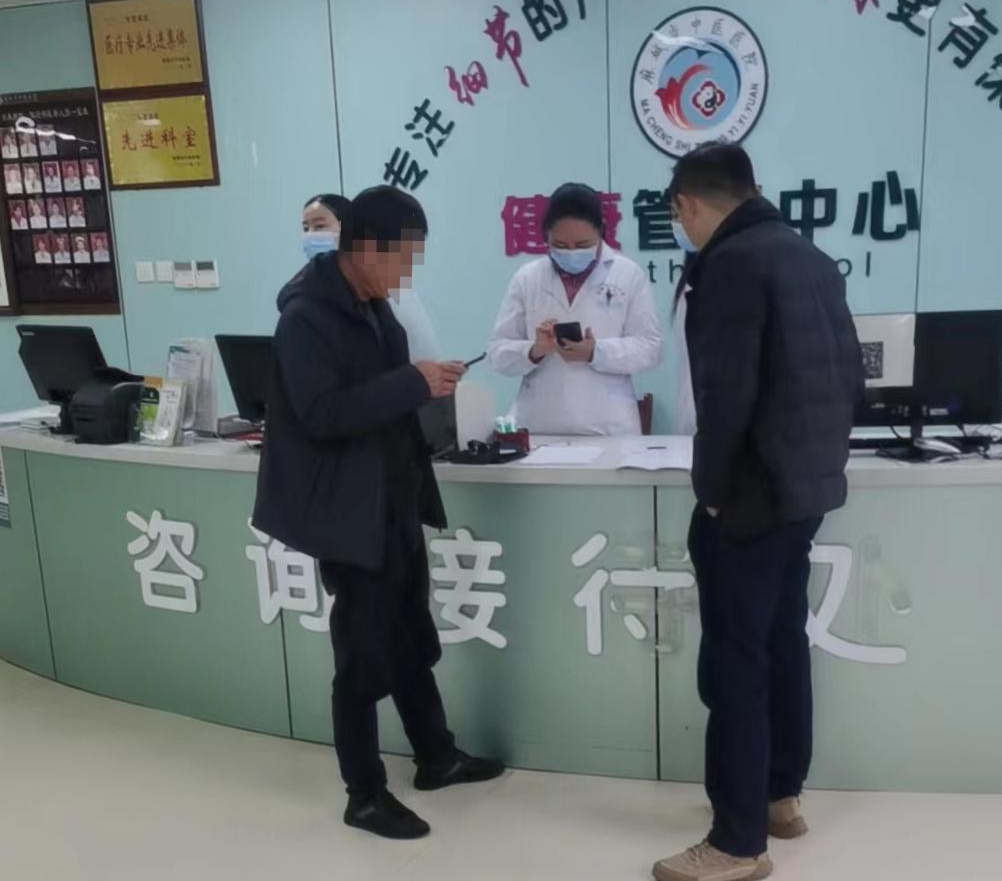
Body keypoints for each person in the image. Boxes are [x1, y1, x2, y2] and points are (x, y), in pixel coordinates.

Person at [254, 185, 504, 841]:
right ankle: (363, 793)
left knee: (409, 637)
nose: (407, 273)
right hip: (348, 512)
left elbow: (386, 399)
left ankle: (436, 756)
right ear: (364, 249)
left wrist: (428, 385)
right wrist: (411, 381)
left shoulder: (376, 310)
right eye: (403, 257)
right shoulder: (306, 319)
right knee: (363, 655)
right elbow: (322, 413)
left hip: (395, 499)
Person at [653, 143, 862, 881]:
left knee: (735, 665)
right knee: (780, 644)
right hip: (803, 491)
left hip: (747, 499)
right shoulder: (810, 258)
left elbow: (726, 395)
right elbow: (849, 375)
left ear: (686, 205)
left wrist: (711, 492)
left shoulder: (731, 263)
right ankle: (779, 797)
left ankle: (736, 843)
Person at [488, 182, 663, 435]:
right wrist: (534, 350)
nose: (571, 252)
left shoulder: (628, 274)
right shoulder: (527, 278)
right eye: (560, 245)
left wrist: (596, 352)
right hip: (540, 425)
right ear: (546, 236)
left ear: (600, 231)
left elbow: (650, 348)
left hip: (610, 427)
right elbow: (498, 353)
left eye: (582, 245)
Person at [301, 192, 442, 362]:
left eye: (319, 226)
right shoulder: (305, 315)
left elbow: (421, 351)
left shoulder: (380, 300)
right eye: (306, 228)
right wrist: (416, 376)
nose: (311, 236)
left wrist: (426, 375)